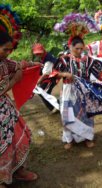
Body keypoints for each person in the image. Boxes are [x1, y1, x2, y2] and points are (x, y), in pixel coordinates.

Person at [56, 36, 102, 150]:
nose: (80, 51)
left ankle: (88, 137)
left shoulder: (88, 60)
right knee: (67, 114)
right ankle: (69, 139)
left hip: (84, 90)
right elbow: (54, 72)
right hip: (68, 90)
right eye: (77, 48)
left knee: (86, 113)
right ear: (70, 47)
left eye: (82, 49)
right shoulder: (64, 60)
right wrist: (64, 74)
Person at [0, 31, 38, 187]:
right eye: (5, 49)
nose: (8, 53)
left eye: (10, 50)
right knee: (3, 145)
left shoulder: (4, 62)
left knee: (19, 136)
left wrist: (35, 65)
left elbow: (19, 65)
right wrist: (15, 80)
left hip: (5, 108)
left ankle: (17, 170)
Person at [32, 43, 59, 114]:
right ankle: (56, 106)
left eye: (39, 53)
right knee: (43, 92)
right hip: (49, 76)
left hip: (52, 77)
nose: (38, 55)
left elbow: (46, 74)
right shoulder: (44, 56)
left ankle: (57, 106)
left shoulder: (48, 59)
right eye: (36, 54)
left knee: (43, 92)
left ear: (43, 50)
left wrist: (37, 82)